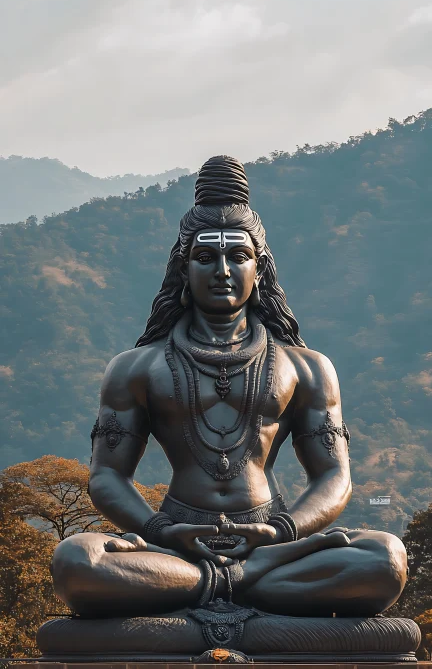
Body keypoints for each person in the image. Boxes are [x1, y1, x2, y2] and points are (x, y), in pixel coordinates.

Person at [51, 156, 407, 619]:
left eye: (237, 256)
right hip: (177, 541)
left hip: (272, 535)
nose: (222, 269)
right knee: (78, 561)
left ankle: (210, 585)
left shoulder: (307, 367)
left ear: (259, 269)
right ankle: (242, 582)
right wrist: (160, 530)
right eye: (205, 256)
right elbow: (106, 475)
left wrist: (281, 531)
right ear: (184, 269)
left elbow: (334, 477)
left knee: (385, 558)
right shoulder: (136, 367)